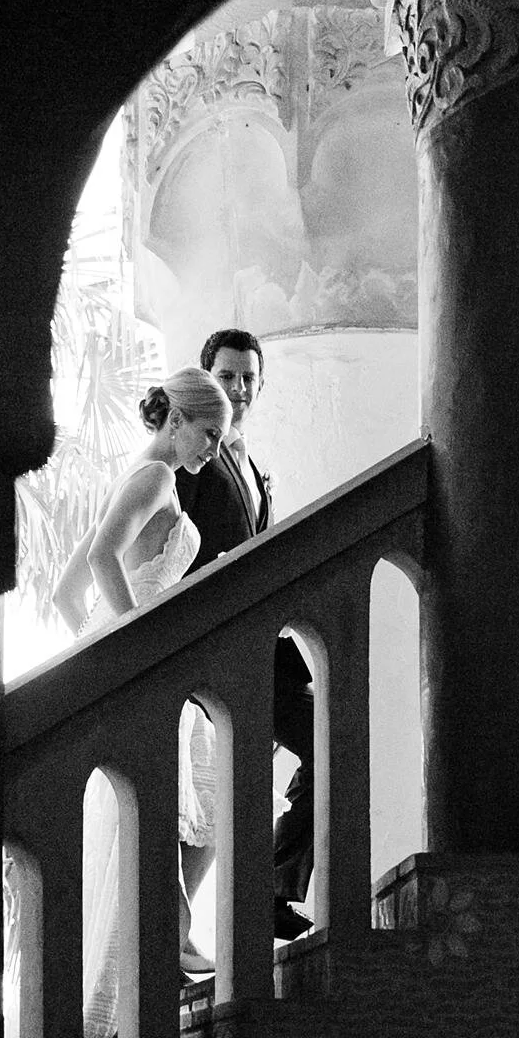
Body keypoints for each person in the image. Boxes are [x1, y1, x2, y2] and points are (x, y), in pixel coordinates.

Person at [2, 364, 231, 1038]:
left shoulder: (137, 476)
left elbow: (69, 595)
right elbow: (101, 560)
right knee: (202, 794)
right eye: (209, 433)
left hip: (137, 670)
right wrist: (133, 652)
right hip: (144, 667)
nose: (213, 450)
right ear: (177, 419)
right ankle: (161, 950)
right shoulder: (154, 477)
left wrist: (101, 650)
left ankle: (161, 945)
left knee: (183, 805)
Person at [175, 328, 316, 941]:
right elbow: (170, 539)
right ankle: (179, 929)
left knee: (327, 735)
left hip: (269, 650)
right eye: (226, 376)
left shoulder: (256, 468)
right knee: (209, 793)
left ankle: (274, 885)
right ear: (207, 379)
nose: (238, 388)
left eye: (248, 378)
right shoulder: (195, 458)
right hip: (214, 645)